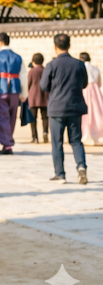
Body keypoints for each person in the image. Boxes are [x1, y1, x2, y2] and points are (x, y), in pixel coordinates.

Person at [41, 34, 88, 184]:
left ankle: (60, 174)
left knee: (57, 142)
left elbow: (44, 86)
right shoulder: (79, 64)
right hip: (75, 106)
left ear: (55, 47)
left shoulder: (51, 65)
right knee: (76, 140)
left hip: (57, 107)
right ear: (69, 45)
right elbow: (84, 83)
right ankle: (81, 166)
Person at [0, 33, 27, 155]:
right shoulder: (18, 57)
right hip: (15, 89)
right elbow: (24, 76)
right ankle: (8, 141)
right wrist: (24, 93)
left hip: (0, 88)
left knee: (2, 116)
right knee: (12, 116)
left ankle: (7, 143)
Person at [80, 53, 103, 146]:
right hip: (96, 91)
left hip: (85, 90)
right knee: (98, 114)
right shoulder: (95, 69)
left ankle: (85, 134)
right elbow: (99, 82)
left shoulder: (81, 68)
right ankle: (98, 134)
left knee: (85, 115)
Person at [27, 53, 49, 144]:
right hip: (45, 96)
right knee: (45, 117)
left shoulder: (32, 71)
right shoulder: (46, 70)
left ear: (33, 61)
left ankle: (35, 137)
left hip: (34, 97)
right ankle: (45, 132)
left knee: (33, 119)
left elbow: (28, 83)